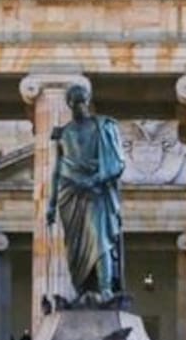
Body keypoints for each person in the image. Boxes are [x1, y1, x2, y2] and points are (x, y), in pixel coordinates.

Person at [45, 83, 126, 304]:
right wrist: (51, 203)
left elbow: (117, 163)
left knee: (100, 241)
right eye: (75, 103)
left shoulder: (104, 126)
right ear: (69, 105)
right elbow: (57, 169)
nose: (80, 107)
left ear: (88, 102)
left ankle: (106, 287)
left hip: (96, 191)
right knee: (75, 248)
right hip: (69, 193)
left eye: (82, 102)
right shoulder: (63, 133)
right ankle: (81, 290)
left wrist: (95, 179)